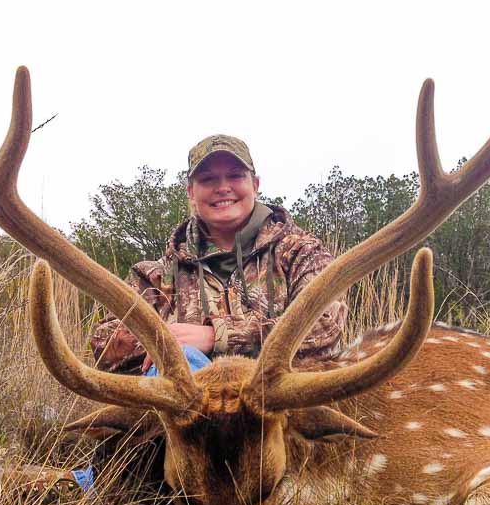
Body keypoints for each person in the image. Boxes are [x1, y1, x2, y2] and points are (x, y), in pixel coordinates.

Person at [90, 134, 347, 374]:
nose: (223, 187)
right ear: (191, 192)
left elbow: (325, 325)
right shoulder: (156, 277)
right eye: (208, 179)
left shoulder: (302, 254)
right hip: (190, 401)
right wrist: (163, 341)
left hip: (279, 400)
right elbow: (104, 344)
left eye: (235, 176)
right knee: (180, 359)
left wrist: (218, 336)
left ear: (255, 185)